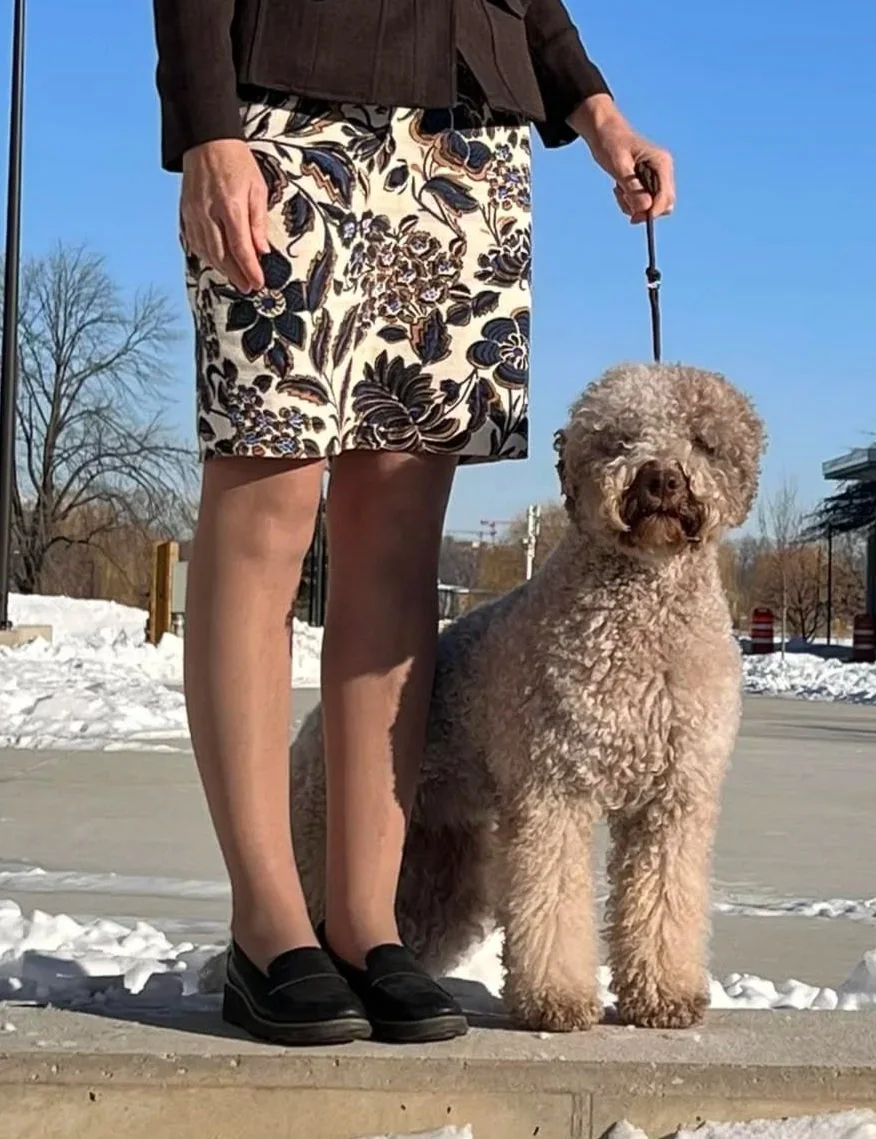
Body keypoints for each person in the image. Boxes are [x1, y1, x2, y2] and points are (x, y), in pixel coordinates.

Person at [151, 0, 675, 1046]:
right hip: (287, 113)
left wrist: (592, 105)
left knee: (395, 538)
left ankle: (362, 923)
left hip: (466, 129)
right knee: (269, 504)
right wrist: (209, 121)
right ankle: (267, 926)